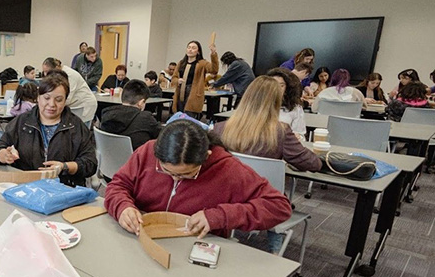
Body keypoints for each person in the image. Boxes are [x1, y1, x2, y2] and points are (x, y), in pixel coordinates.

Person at [104, 119, 292, 240]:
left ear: (206, 156)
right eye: (166, 171)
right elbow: (118, 185)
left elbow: (279, 206)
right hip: (140, 238)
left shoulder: (228, 169)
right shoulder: (147, 152)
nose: (175, 178)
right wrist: (122, 207)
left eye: (187, 174)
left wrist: (219, 216)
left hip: (194, 246)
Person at [212, 77, 321, 253]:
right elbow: (311, 163)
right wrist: (321, 159)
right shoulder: (281, 131)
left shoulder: (220, 128)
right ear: (276, 102)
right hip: (267, 201)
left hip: (228, 197)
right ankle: (274, 250)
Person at [0, 72, 97, 187]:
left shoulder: (76, 126)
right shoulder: (22, 122)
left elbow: (90, 164)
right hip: (26, 187)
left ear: (65, 101)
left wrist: (65, 167)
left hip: (64, 189)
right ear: (38, 97)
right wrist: (4, 155)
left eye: (59, 100)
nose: (52, 104)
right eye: (46, 98)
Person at [99, 80, 161, 151]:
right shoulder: (145, 118)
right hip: (136, 157)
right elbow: (162, 136)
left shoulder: (106, 114)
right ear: (141, 102)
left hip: (108, 156)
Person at [172, 39, 219, 119]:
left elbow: (214, 70)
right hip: (180, 92)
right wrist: (177, 80)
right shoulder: (181, 63)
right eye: (189, 47)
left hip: (193, 93)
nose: (190, 50)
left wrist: (213, 54)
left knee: (189, 117)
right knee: (179, 115)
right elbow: (174, 78)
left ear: (198, 52)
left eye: (193, 48)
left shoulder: (202, 63)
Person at [41, 57, 97, 123]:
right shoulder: (58, 75)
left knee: (81, 127)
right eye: (44, 71)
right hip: (75, 105)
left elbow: (68, 98)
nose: (45, 74)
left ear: (56, 67)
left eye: (47, 71)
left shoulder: (70, 75)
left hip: (84, 105)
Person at [267, 67, 307, 138]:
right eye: (274, 85)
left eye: (281, 85)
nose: (277, 88)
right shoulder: (259, 104)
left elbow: (300, 134)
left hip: (286, 143)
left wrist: (297, 136)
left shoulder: (296, 108)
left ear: (287, 88)